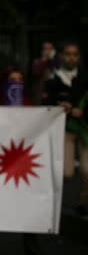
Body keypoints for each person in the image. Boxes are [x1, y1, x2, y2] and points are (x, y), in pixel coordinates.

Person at [0, 66, 45, 255]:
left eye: (20, 80)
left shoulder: (28, 104)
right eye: (12, 79)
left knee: (28, 200)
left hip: (20, 160)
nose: (16, 83)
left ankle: (30, 245)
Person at [43, 42, 88, 217]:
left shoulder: (85, 76)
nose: (71, 57)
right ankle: (51, 199)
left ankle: (83, 203)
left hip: (84, 128)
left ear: (79, 57)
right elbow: (46, 103)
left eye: (75, 54)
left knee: (87, 169)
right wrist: (59, 105)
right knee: (67, 172)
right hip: (65, 128)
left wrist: (82, 111)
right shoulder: (54, 78)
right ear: (61, 55)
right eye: (68, 54)